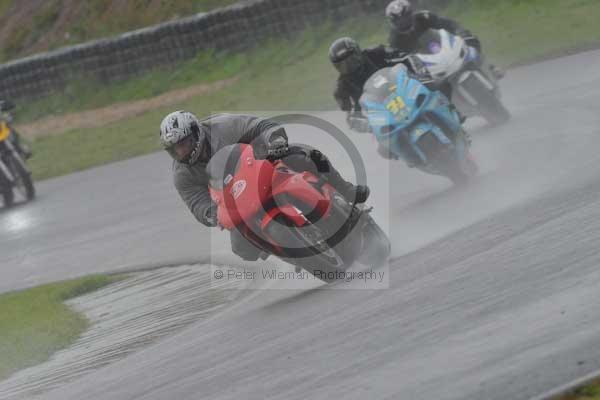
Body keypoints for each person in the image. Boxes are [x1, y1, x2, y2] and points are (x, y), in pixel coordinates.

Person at [160, 111, 370, 261]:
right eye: (175, 149)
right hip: (236, 199)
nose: (182, 152)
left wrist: (274, 141)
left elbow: (262, 126)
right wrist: (211, 214)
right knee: (243, 250)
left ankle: (345, 190)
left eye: (184, 143)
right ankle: (285, 251)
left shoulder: (224, 127)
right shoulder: (181, 174)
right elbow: (196, 203)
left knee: (307, 156)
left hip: (263, 164)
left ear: (197, 133)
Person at [329, 36, 434, 132]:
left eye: (351, 59)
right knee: (382, 149)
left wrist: (421, 74)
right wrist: (367, 124)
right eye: (343, 65)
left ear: (358, 52)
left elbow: (406, 57)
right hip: (382, 117)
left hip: (405, 92)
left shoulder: (376, 53)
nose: (349, 65)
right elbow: (351, 115)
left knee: (437, 88)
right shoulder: (342, 88)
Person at [385, 0, 503, 78]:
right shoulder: (394, 40)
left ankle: (490, 67)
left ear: (411, 13)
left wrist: (460, 31)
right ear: (393, 22)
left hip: (443, 46)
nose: (403, 21)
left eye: (405, 16)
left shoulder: (424, 17)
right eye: (399, 20)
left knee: (470, 39)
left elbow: (448, 24)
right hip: (426, 63)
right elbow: (398, 60)